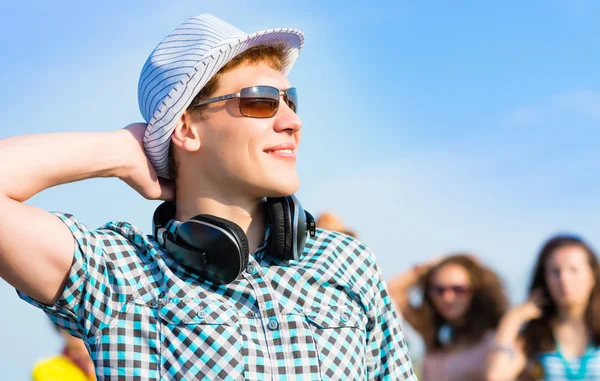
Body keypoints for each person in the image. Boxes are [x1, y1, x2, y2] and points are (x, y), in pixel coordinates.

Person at [0, 13, 416, 380]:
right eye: (262, 102)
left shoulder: (349, 262)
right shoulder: (119, 276)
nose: (292, 121)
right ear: (186, 129)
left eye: (290, 101)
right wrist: (119, 152)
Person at [487, 234, 600, 381]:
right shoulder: (534, 336)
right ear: (544, 279)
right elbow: (496, 377)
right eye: (555, 272)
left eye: (574, 270)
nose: (564, 279)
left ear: (592, 276)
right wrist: (512, 320)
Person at [388, 254, 508, 381]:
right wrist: (436, 263)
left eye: (458, 289)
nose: (448, 298)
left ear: (477, 291)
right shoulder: (431, 333)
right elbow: (394, 289)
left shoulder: (496, 336)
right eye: (439, 290)